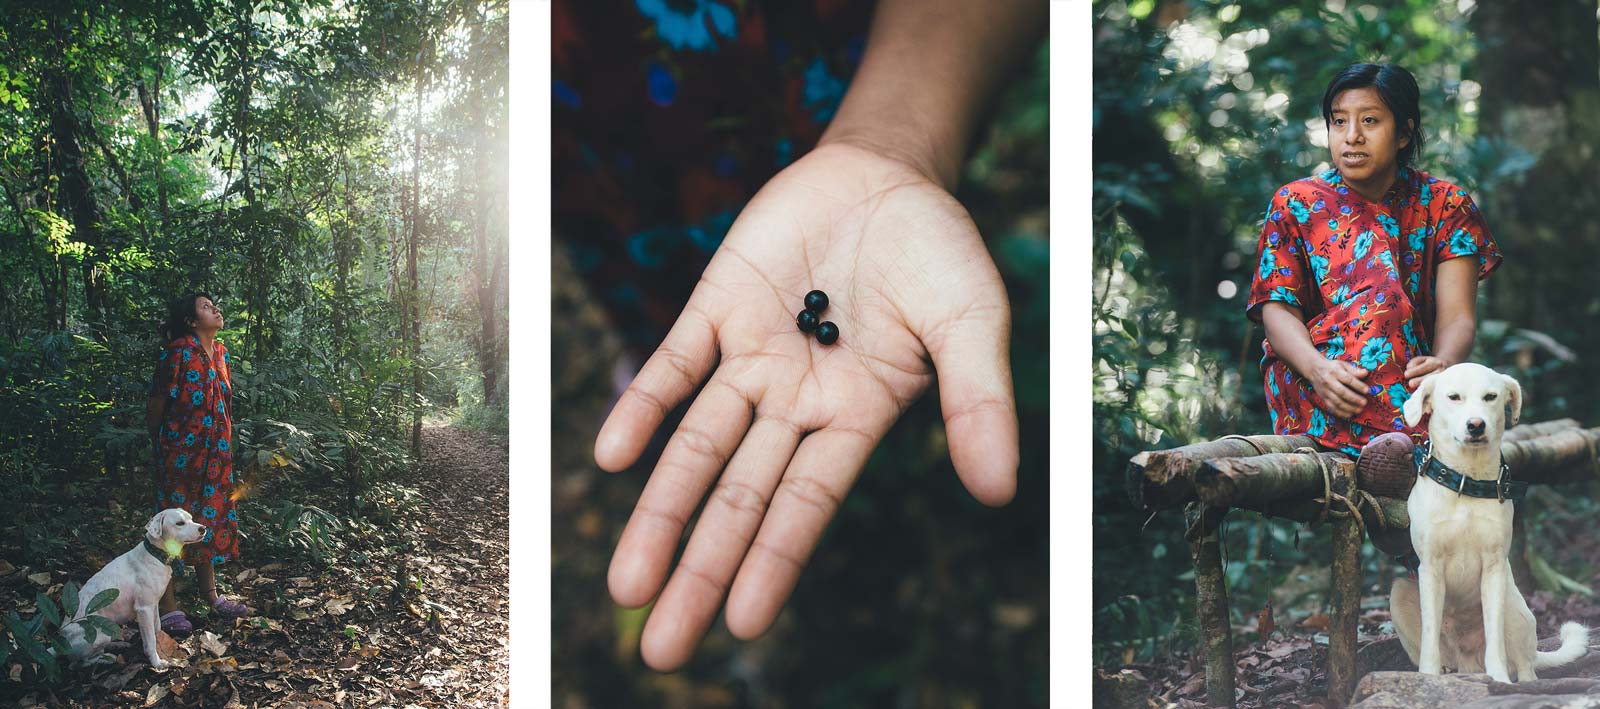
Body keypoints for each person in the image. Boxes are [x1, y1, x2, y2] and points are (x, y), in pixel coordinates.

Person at [560, 0, 1045, 672]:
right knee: (676, 310)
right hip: (601, 146)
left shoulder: (824, 307)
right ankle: (653, 359)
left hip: (836, 95)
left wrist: (889, 142)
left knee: (806, 362)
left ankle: (867, 460)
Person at [1246, 63, 1502, 488]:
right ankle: (1405, 453)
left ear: (1403, 133)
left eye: (1369, 121)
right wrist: (1318, 370)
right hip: (1318, 378)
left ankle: (1398, 453)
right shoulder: (1297, 202)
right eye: (1339, 121)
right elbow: (1276, 309)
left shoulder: (1446, 204)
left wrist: (1442, 368)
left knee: (1387, 307)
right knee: (1380, 299)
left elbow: (1457, 316)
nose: (1352, 137)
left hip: (1412, 379)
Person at [145, 293, 251, 636]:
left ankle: (212, 597)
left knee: (208, 520)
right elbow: (157, 402)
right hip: (181, 456)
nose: (216, 309)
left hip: (217, 456)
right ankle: (169, 608)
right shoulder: (177, 352)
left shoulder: (221, 353)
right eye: (206, 307)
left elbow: (225, 403)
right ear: (191, 321)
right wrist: (160, 444)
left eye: (214, 304)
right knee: (175, 526)